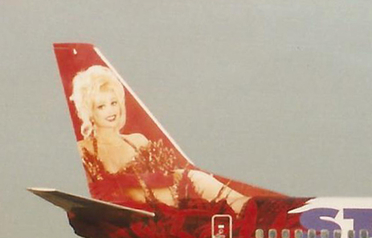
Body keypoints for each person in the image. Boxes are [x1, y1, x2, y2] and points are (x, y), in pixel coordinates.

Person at [69, 66, 248, 212]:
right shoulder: (84, 150)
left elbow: (168, 176)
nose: (111, 111)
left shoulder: (137, 141)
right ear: (89, 112)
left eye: (114, 103)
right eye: (101, 106)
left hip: (188, 190)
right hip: (161, 212)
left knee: (249, 207)